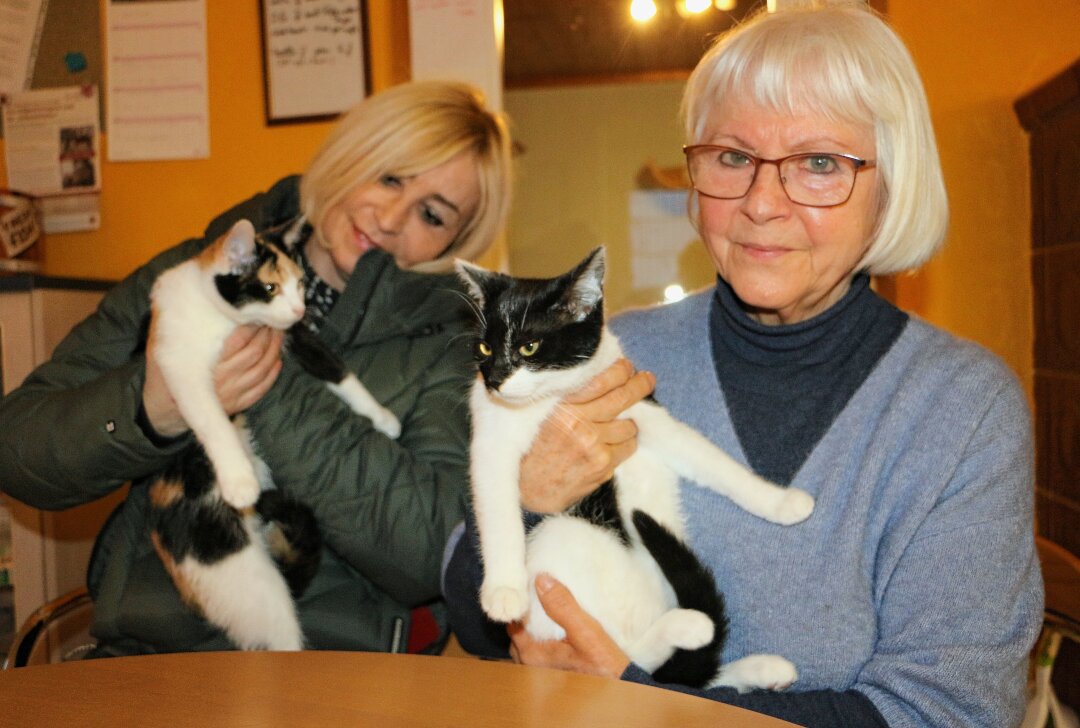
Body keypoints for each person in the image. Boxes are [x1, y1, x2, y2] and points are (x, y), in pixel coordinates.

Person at [442, 4, 1044, 727]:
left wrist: (641, 699)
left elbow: (952, 711)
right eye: (732, 158)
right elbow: (475, 624)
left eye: (819, 163)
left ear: (893, 184)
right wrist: (522, 501)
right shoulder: (613, 358)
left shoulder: (960, 409)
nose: (761, 203)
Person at [0, 80, 514, 656]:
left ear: (456, 242)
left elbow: (433, 555)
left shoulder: (452, 348)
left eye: (432, 214)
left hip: (331, 678)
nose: (391, 217)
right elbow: (18, 448)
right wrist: (149, 412)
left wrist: (269, 377)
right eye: (390, 177)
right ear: (351, 156)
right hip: (147, 663)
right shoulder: (192, 271)